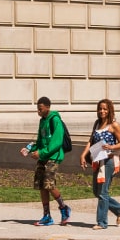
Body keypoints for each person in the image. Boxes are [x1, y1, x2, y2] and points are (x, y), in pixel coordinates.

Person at [20, 96, 73, 226]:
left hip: (53, 157)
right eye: (37, 109)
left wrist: (41, 153)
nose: (38, 111)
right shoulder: (42, 121)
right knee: (41, 185)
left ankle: (64, 208)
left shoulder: (55, 120)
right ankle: (46, 216)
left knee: (49, 184)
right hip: (43, 157)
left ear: (48, 107)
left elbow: (56, 142)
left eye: (40, 109)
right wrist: (29, 148)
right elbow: (39, 141)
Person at [88, 98, 120, 229]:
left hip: (108, 161)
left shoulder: (114, 125)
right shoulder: (96, 124)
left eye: (105, 109)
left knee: (103, 193)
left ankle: (102, 222)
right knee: (96, 192)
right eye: (100, 108)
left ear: (110, 110)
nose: (102, 111)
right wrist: (83, 155)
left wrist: (111, 147)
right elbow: (91, 141)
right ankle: (118, 208)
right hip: (97, 160)